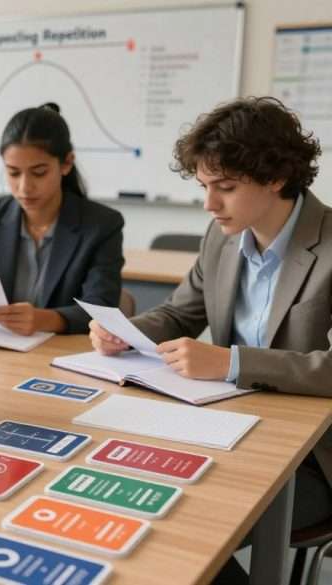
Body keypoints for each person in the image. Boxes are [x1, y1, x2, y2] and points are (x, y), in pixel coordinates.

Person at [87, 97, 330, 584]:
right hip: (229, 429)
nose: (209, 203)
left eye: (226, 187)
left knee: (185, 529)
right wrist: (128, 332)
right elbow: (182, 312)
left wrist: (233, 361)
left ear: (276, 178)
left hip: (314, 461)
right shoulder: (221, 235)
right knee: (139, 507)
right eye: (204, 186)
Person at [0, 103, 124, 335]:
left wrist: (45, 319)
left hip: (59, 353)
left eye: (39, 172)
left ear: (66, 163)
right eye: (13, 173)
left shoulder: (102, 225)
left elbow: (102, 309)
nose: (24, 188)